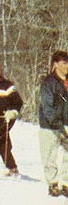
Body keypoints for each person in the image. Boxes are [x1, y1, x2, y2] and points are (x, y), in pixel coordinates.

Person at [39, 50, 68, 197]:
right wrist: (56, 122)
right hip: (50, 125)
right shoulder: (49, 83)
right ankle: (53, 184)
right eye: (64, 63)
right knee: (50, 155)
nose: (67, 66)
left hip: (66, 124)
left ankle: (66, 184)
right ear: (56, 64)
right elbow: (47, 106)